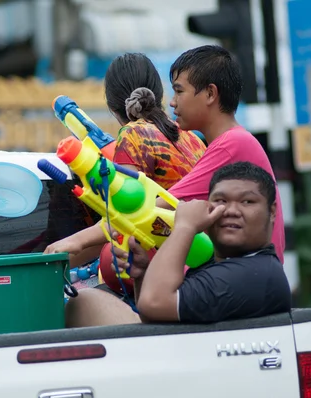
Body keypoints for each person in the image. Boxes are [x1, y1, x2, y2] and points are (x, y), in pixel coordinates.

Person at [60, 45, 287, 328]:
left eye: (179, 91)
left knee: (85, 302)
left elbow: (146, 208)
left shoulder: (231, 144)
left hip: (240, 277)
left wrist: (74, 242)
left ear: (210, 94)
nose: (171, 102)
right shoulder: (205, 143)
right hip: (238, 274)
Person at [44, 52, 206, 296]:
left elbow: (127, 215)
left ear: (111, 106)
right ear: (158, 94)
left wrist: (71, 244)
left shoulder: (132, 135)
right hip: (203, 258)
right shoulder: (193, 138)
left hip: (168, 270)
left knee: (92, 292)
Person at [112, 162, 291, 323]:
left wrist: (185, 226)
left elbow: (154, 303)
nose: (231, 211)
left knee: (89, 301)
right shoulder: (221, 264)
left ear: (272, 211)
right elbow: (157, 316)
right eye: (221, 201)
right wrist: (142, 273)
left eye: (247, 201)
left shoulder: (255, 273)